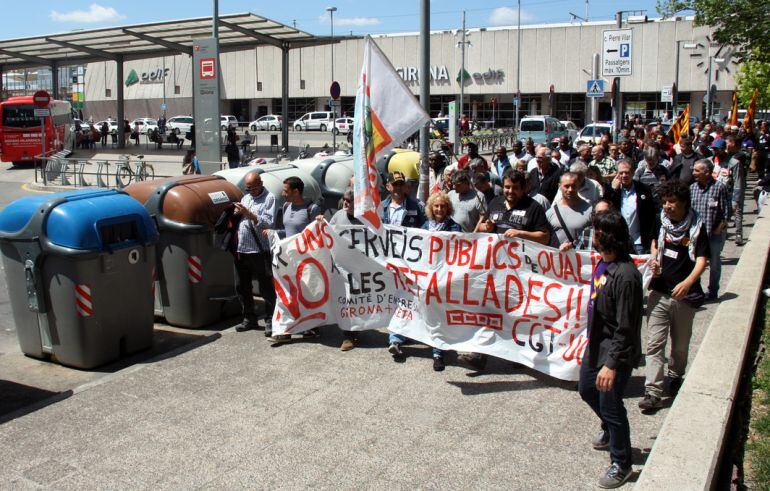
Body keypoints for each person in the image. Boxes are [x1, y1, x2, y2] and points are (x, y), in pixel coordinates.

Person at [578, 209, 643, 489]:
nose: (593, 237)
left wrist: (611, 365)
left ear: (608, 237)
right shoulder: (603, 264)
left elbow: (626, 327)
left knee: (611, 405)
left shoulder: (626, 276)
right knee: (586, 389)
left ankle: (622, 463)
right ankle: (609, 428)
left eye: (597, 232)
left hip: (615, 352)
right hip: (596, 346)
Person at [463, 169, 551, 371]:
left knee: (518, 313)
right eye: (507, 187)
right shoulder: (495, 203)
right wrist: (486, 227)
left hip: (521, 272)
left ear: (524, 188)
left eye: (515, 188)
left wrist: (521, 233)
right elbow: (485, 228)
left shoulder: (533, 208)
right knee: (487, 308)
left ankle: (519, 354)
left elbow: (545, 237)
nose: (510, 191)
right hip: (495, 269)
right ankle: (479, 354)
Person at [640, 180, 709, 412]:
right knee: (654, 344)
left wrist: (688, 283)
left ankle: (676, 374)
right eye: (665, 201)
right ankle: (653, 392)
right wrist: (654, 259)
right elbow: (653, 243)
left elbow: (702, 259)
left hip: (684, 297)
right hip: (659, 292)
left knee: (680, 345)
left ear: (684, 203)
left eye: (672, 202)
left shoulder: (697, 226)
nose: (667, 206)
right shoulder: (660, 221)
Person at [270, 176, 324, 343]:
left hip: (306, 260)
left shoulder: (312, 209)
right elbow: (285, 231)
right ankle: (285, 329)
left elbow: (317, 234)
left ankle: (309, 326)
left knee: (306, 294)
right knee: (287, 294)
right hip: (287, 259)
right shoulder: (286, 206)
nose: (283, 194)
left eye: (285, 191)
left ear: (296, 191)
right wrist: (273, 233)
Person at [419, 192, 462, 371]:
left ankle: (439, 353)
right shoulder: (423, 226)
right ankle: (435, 349)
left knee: (441, 314)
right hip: (427, 276)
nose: (439, 209)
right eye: (436, 206)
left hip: (445, 278)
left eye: (443, 206)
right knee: (430, 313)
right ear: (431, 208)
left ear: (448, 208)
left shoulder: (455, 227)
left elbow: (460, 249)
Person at [233, 171, 277, 336]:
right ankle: (249, 318)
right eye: (248, 188)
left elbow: (268, 222)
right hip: (242, 248)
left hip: (259, 249)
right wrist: (237, 212)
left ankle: (270, 320)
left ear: (260, 184)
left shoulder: (270, 198)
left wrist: (248, 214)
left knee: (266, 287)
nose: (250, 190)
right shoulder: (246, 198)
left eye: (252, 187)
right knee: (242, 285)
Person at [328, 189, 363, 351]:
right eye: (344, 199)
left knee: (358, 300)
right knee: (346, 299)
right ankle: (348, 335)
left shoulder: (366, 218)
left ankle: (356, 330)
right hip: (342, 267)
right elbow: (328, 232)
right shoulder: (338, 216)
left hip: (361, 267)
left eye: (349, 200)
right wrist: (321, 223)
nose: (346, 203)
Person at [690, 159, 730, 301]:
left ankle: (713, 292)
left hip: (713, 234)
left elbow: (726, 212)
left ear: (707, 172)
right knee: (695, 263)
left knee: (714, 264)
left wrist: (718, 229)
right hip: (696, 234)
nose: (693, 173)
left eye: (696, 170)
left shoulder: (719, 188)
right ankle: (696, 291)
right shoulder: (692, 188)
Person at [607, 160, 656, 254]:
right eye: (621, 173)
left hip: (639, 241)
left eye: (627, 172)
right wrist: (613, 190)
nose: (624, 175)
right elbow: (606, 208)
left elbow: (651, 214)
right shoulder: (612, 189)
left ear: (633, 173)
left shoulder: (644, 189)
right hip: (619, 240)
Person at [546, 173, 592, 251]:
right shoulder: (550, 212)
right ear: (559, 186)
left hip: (579, 257)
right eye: (566, 186)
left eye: (574, 186)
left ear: (578, 187)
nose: (570, 190)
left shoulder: (590, 211)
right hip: (556, 256)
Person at [725, 135, 748, 245]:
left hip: (737, 187)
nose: (726, 145)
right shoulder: (728, 156)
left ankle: (739, 234)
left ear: (733, 143)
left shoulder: (740, 156)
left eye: (727, 143)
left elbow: (738, 178)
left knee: (737, 210)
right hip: (727, 187)